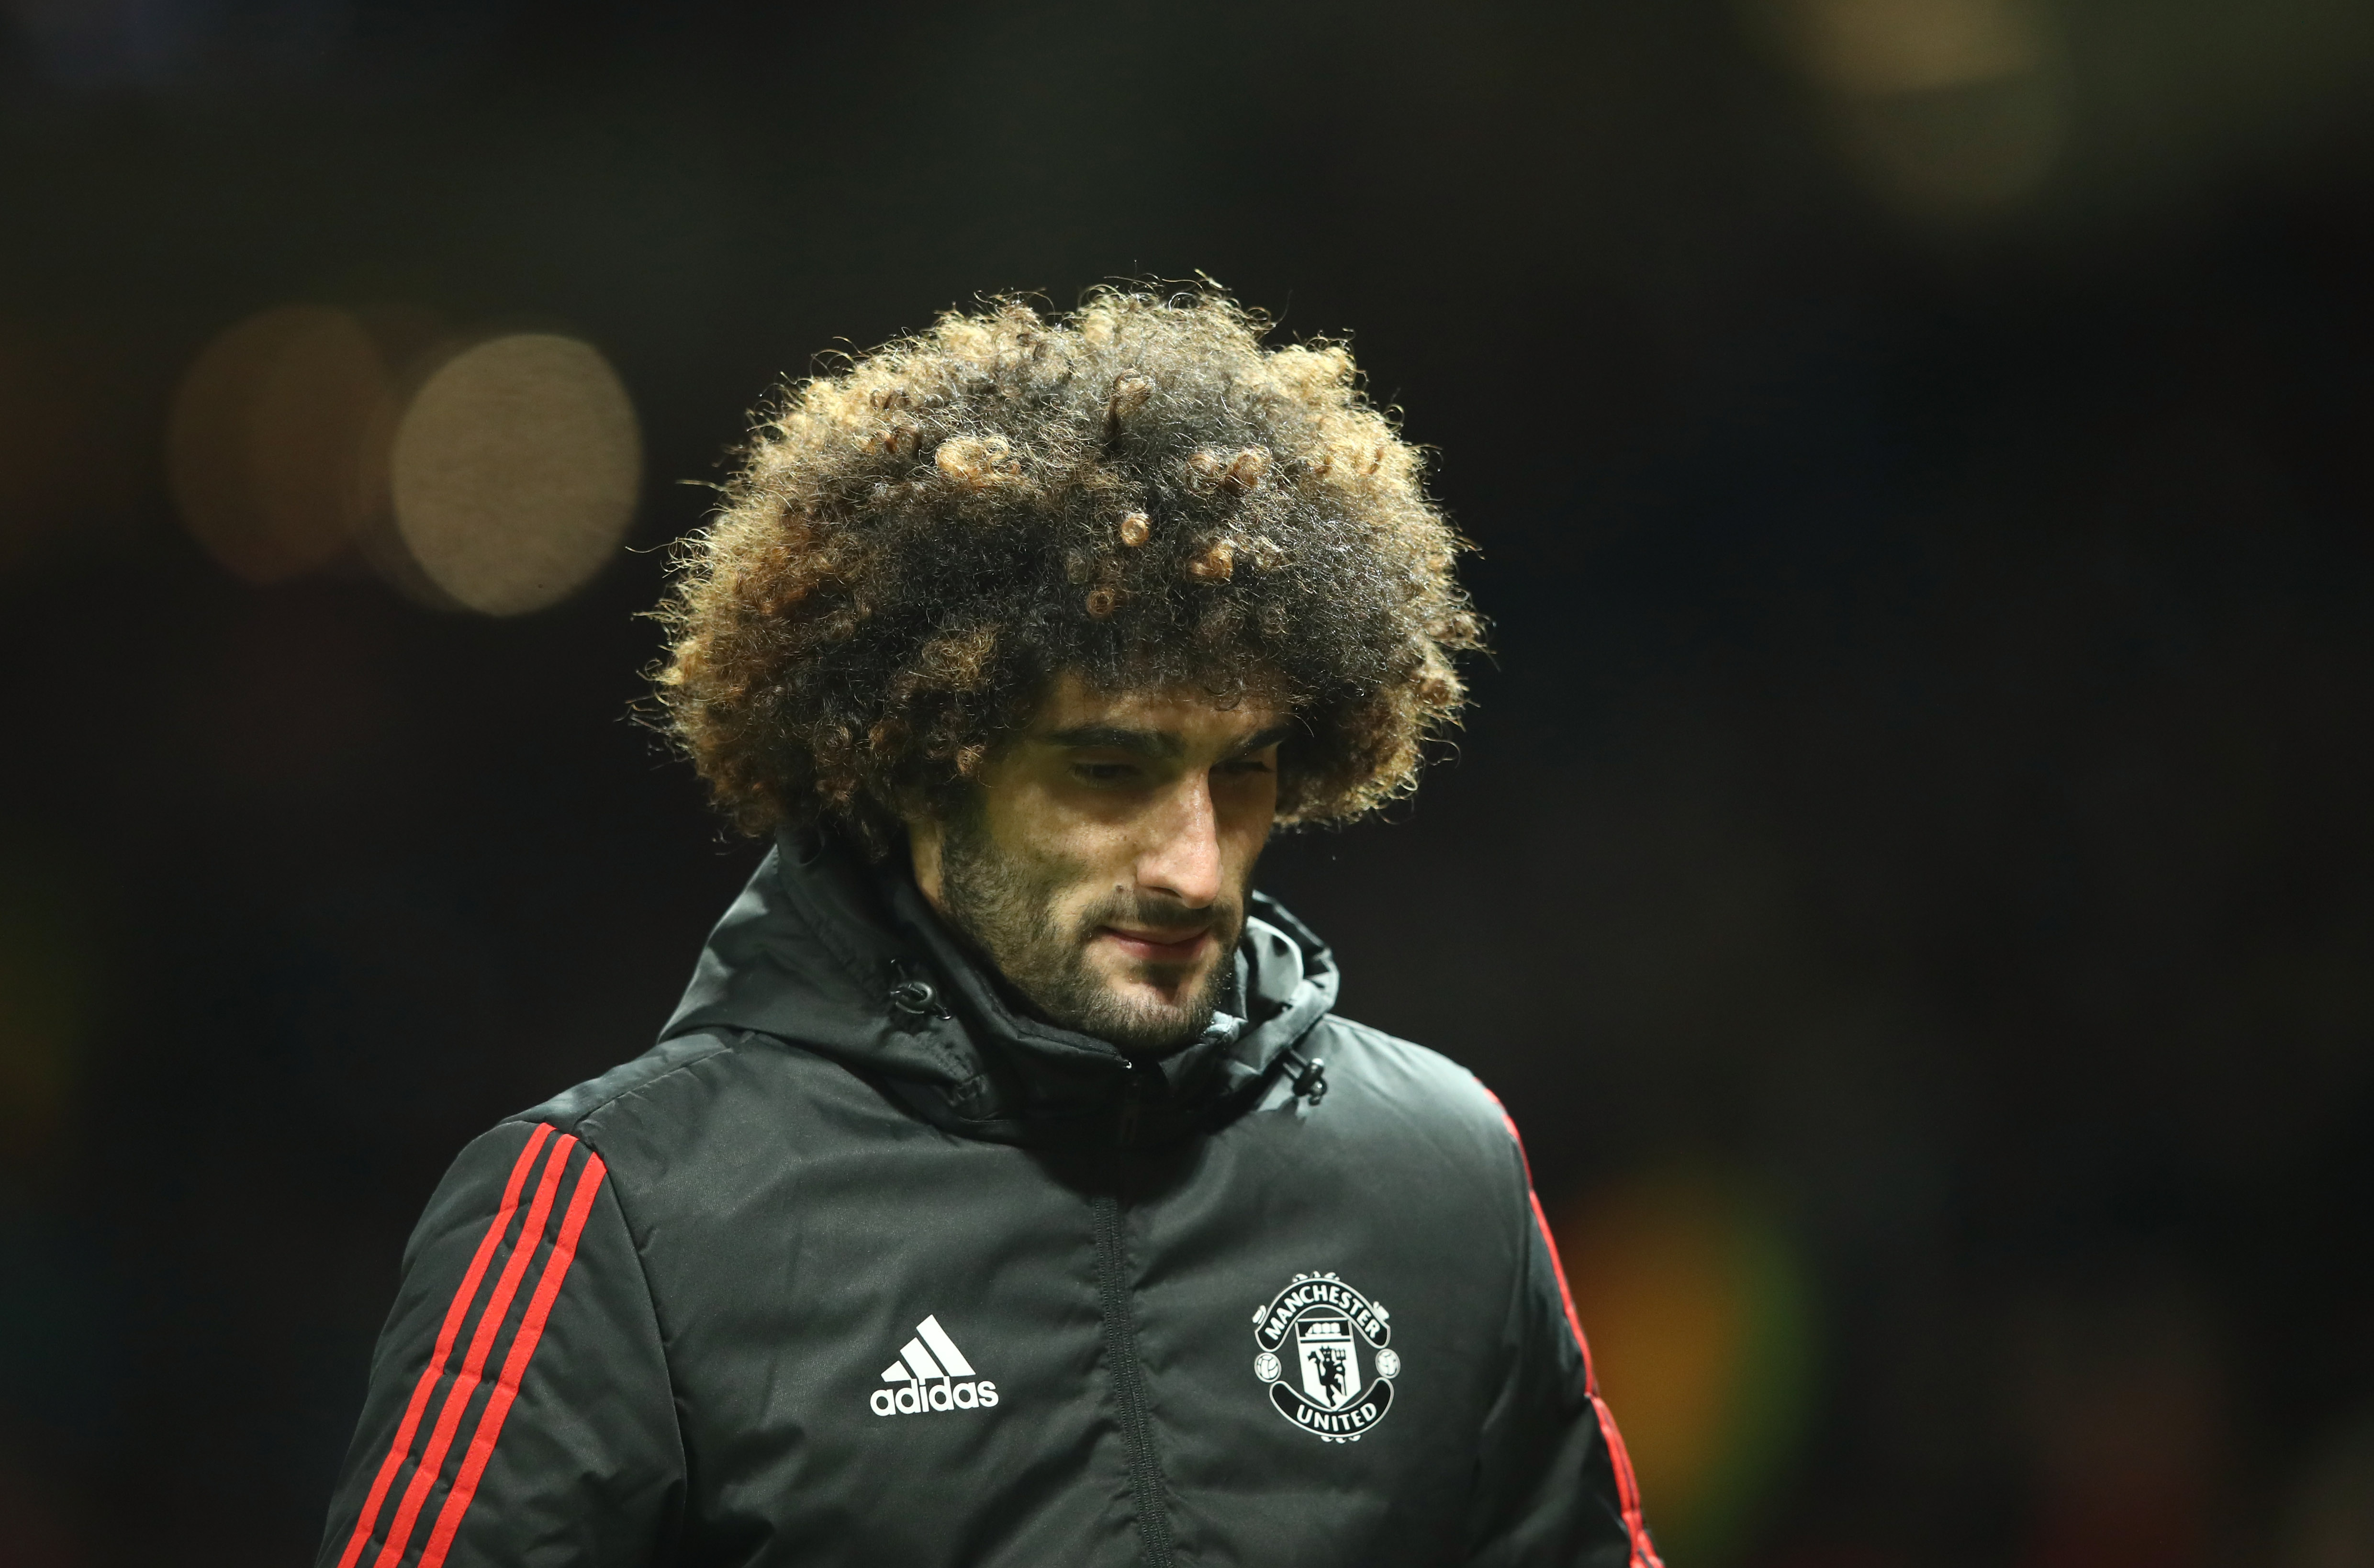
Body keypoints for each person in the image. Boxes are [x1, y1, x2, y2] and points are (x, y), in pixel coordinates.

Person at [317, 288, 1662, 1568]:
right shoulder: (608, 1218)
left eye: (1240, 770)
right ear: (918, 761)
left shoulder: (1441, 1170)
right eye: (1109, 770)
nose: (1195, 866)